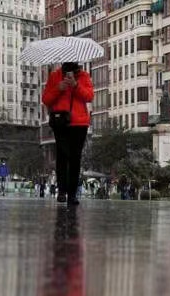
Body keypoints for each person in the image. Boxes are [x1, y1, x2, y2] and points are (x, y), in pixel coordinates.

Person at [42, 62, 94, 205]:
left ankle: (72, 194)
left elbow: (89, 96)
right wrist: (59, 88)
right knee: (62, 157)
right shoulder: (55, 76)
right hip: (61, 122)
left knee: (75, 158)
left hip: (79, 123)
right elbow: (46, 99)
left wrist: (75, 85)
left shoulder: (84, 76)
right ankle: (62, 191)